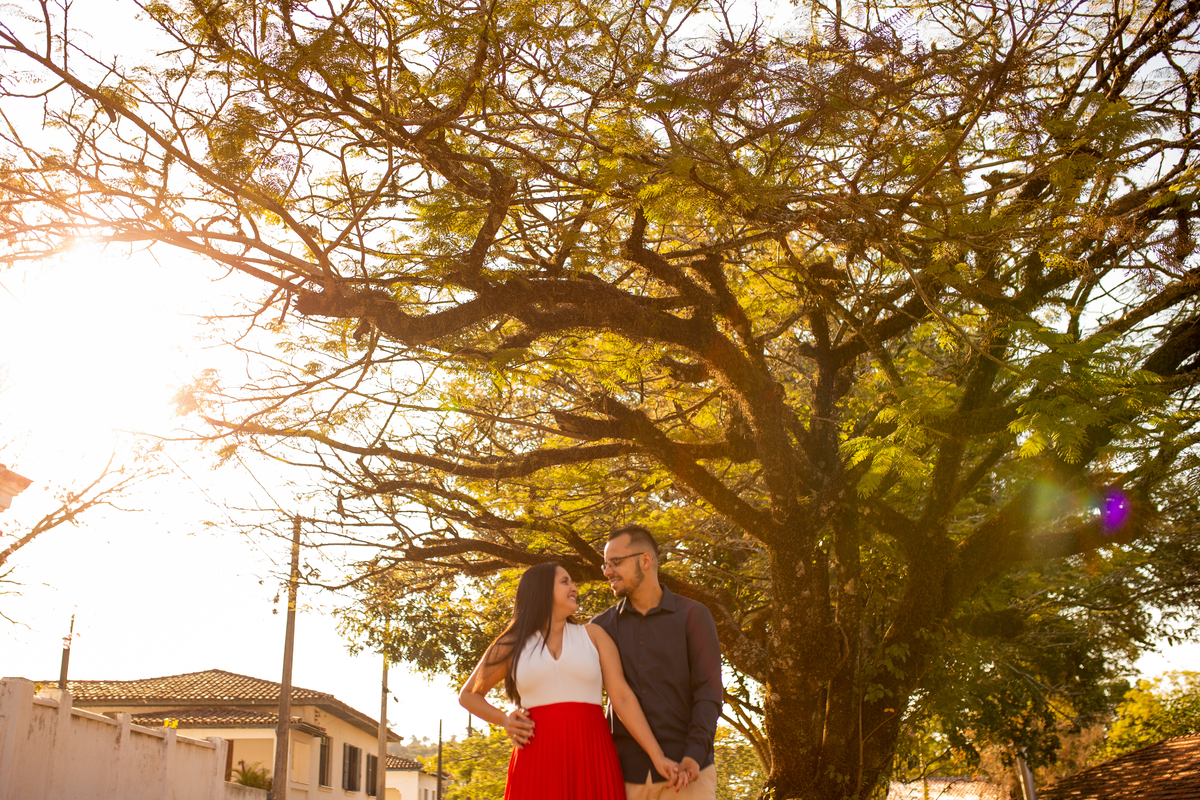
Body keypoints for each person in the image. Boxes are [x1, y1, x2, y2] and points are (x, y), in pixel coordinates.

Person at [459, 561, 679, 800]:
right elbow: (469, 695)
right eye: (565, 582)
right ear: (541, 590)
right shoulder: (511, 644)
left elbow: (623, 698)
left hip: (592, 755)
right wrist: (504, 719)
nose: (574, 588)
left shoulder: (594, 636)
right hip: (536, 757)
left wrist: (657, 756)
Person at [592, 524, 723, 800]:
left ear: (646, 560)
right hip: (624, 777)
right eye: (605, 564)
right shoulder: (600, 627)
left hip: (687, 775)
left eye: (615, 562)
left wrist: (694, 756)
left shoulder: (694, 615)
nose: (607, 572)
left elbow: (708, 693)